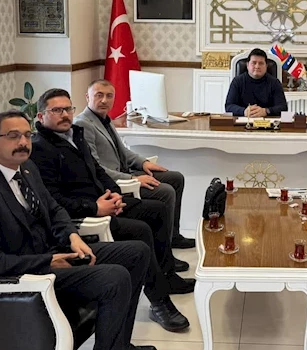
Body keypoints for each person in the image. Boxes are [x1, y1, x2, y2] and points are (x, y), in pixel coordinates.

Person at [0, 111, 157, 350]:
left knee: (137, 252)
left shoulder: (26, 168)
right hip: (26, 272)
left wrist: (72, 236)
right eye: (13, 136)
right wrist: (48, 261)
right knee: (114, 277)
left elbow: (54, 209)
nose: (23, 143)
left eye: (27, 135)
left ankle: (119, 349)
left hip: (50, 251)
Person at [29, 88, 193, 333]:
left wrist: (115, 193)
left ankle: (166, 275)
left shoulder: (75, 134)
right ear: (41, 116)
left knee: (157, 210)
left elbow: (98, 171)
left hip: (105, 202)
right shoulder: (40, 149)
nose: (65, 115)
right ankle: (160, 303)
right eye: (57, 110)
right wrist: (96, 207)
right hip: (83, 214)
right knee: (141, 231)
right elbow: (53, 199)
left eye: (68, 109)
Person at [74, 78, 195, 254]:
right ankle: (164, 249)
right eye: (99, 95)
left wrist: (143, 162)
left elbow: (123, 151)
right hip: (114, 181)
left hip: (126, 171)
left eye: (109, 96)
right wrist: (133, 179)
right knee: (165, 191)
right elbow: (95, 167)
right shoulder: (83, 123)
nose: (104, 100)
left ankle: (173, 236)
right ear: (87, 97)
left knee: (175, 178)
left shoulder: (105, 119)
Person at [225, 48, 288, 117]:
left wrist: (266, 111)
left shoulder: (275, 83)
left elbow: (283, 107)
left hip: (267, 121)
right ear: (247, 65)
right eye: (254, 63)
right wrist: (244, 111)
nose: (257, 66)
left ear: (266, 66)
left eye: (261, 63)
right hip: (244, 120)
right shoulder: (237, 81)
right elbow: (229, 106)